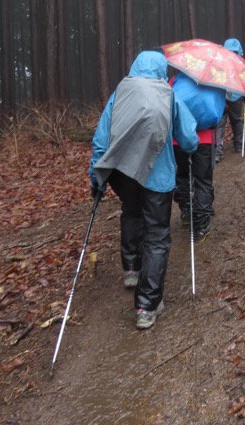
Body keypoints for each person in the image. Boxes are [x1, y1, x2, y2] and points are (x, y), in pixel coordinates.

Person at [89, 51, 199, 330]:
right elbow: (187, 137)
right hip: (157, 177)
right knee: (157, 235)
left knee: (131, 212)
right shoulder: (167, 93)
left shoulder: (121, 92)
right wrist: (190, 148)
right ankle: (146, 306)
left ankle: (131, 268)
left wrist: (97, 176)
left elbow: (102, 137)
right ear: (162, 69)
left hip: (122, 173)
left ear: (135, 66)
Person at [172, 72, 226, 242]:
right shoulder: (214, 80)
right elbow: (222, 109)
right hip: (205, 139)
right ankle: (201, 225)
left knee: (182, 175)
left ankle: (187, 214)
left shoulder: (176, 79)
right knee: (203, 180)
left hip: (178, 138)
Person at [215, 38, 245, 162]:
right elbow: (244, 78)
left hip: (221, 95)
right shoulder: (240, 62)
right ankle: (239, 144)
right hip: (235, 96)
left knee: (220, 123)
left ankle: (217, 151)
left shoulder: (219, 61)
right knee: (237, 120)